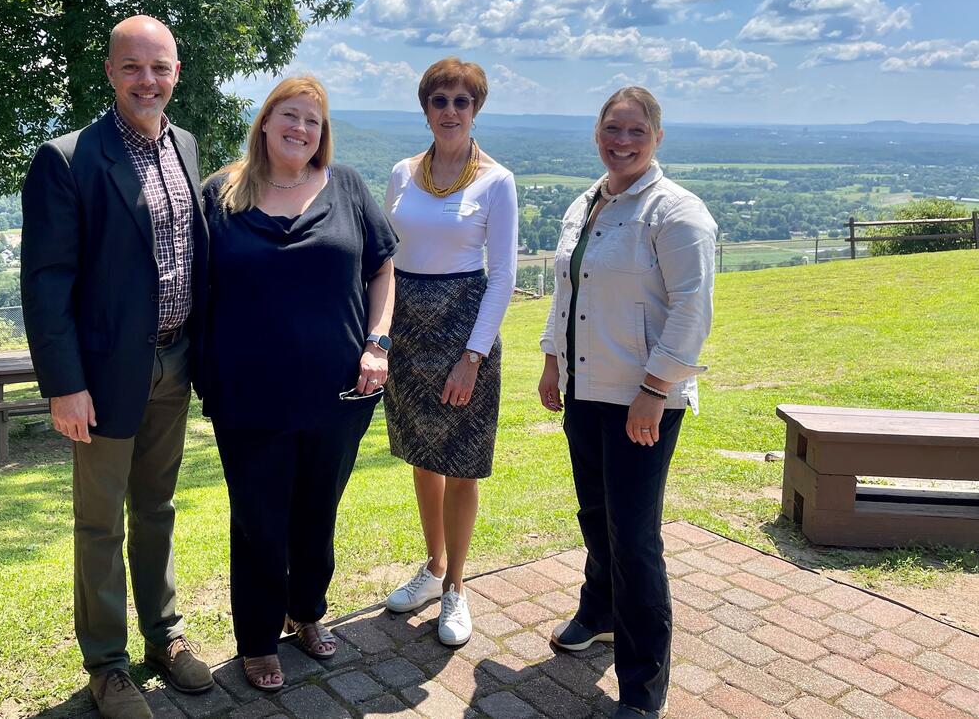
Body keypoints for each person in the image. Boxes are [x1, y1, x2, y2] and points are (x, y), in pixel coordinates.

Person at [21, 15, 213, 719]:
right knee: (100, 524)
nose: (147, 80)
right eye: (133, 67)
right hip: (100, 380)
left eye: (159, 67)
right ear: (109, 72)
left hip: (175, 362)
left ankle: (163, 636)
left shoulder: (185, 145)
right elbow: (46, 282)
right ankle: (107, 665)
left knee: (158, 508)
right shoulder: (67, 158)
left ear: (176, 73)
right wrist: (65, 385)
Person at [200, 75, 397, 692]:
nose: (301, 130)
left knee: (318, 509)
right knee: (258, 519)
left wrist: (378, 343)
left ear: (323, 132)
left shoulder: (347, 187)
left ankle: (307, 612)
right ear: (265, 121)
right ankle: (257, 639)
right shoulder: (222, 194)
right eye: (290, 116)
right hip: (246, 393)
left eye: (313, 121)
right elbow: (194, 288)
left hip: (338, 391)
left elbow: (383, 268)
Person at [537, 86, 716, 719]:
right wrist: (552, 359)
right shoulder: (587, 202)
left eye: (636, 131)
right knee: (595, 512)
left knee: (635, 538)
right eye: (613, 129)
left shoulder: (677, 212)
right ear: (597, 133)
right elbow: (567, 291)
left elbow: (693, 312)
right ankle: (600, 609)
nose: (623, 142)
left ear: (657, 137)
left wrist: (654, 390)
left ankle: (642, 689)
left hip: (643, 400)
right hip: (586, 388)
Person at [381, 58, 518, 647]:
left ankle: (458, 586)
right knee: (422, 457)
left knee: (462, 462)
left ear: (476, 109)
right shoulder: (401, 173)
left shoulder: (497, 180)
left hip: (465, 333)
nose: (450, 111)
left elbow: (504, 274)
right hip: (408, 333)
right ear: (426, 107)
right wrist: (379, 335)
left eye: (461, 102)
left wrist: (473, 356)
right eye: (440, 100)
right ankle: (433, 568)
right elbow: (385, 258)